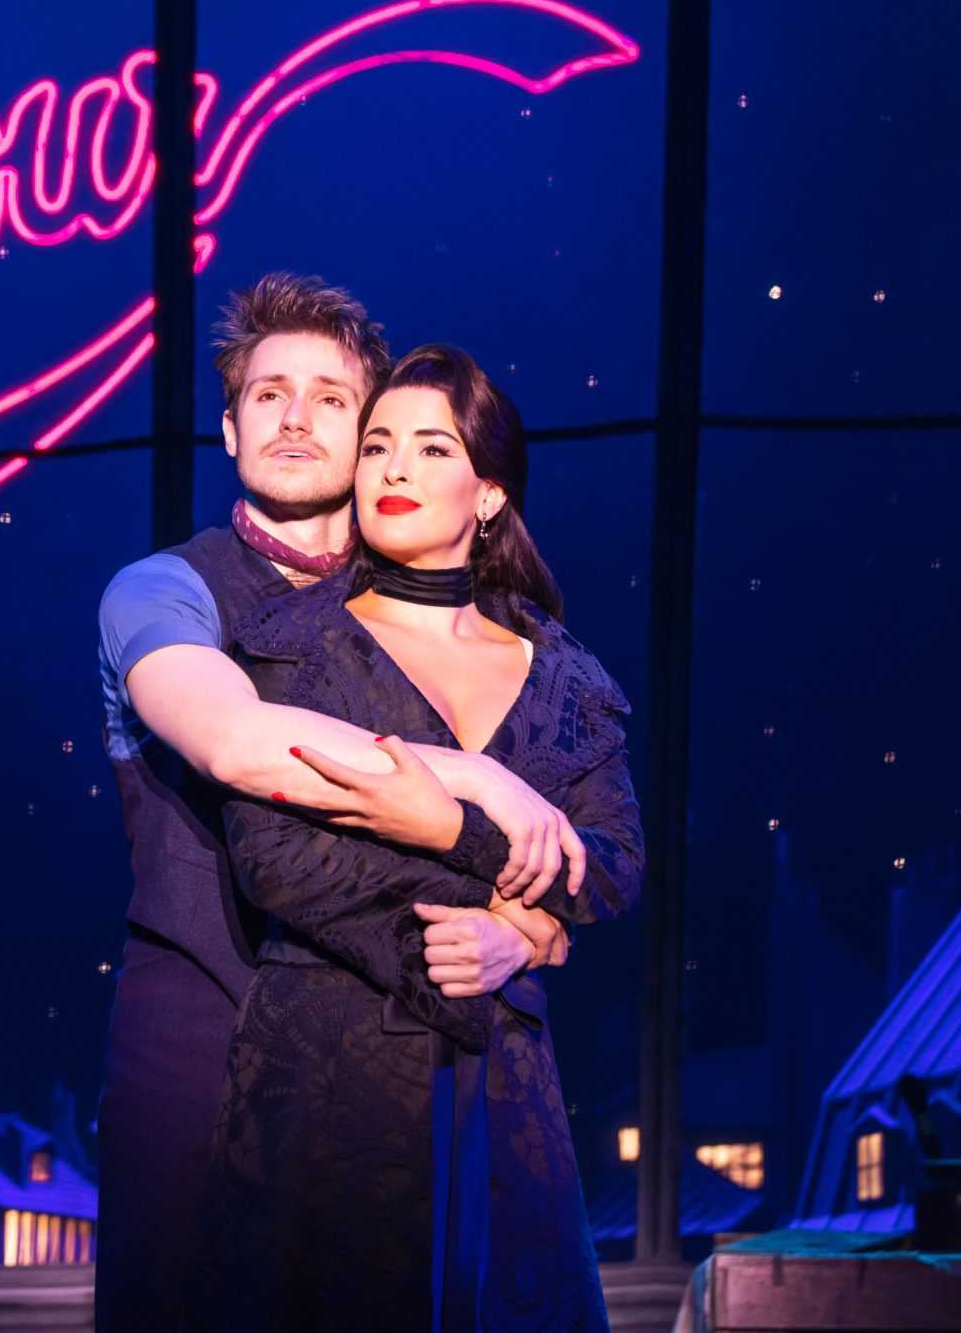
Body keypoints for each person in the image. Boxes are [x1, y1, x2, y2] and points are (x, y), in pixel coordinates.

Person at [94, 282, 584, 1333]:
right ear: (228, 428)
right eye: (267, 393)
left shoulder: (438, 604)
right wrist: (474, 780)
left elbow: (580, 842)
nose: (293, 416)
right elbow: (234, 740)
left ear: (373, 437)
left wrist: (521, 927)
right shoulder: (159, 589)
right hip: (196, 1026)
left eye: (328, 397)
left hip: (387, 1043)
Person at [184, 343, 645, 1333]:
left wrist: (505, 927)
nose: (392, 469)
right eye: (379, 444)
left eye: (430, 448)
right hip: (324, 1070)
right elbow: (277, 859)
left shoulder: (561, 669)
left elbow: (611, 863)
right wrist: (504, 917)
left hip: (505, 1083)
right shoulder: (288, 644)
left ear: (487, 493)